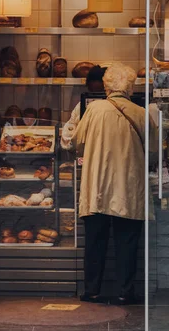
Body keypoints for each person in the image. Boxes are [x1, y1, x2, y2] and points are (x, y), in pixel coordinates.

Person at [72, 62, 145, 305]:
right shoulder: (141, 114)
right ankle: (125, 292)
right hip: (127, 185)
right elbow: (154, 151)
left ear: (106, 86)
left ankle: (92, 291)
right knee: (127, 243)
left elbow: (77, 141)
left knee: (95, 241)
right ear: (130, 87)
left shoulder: (93, 110)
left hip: (98, 186)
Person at [60, 65, 106, 150]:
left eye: (101, 93)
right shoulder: (81, 107)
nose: (96, 99)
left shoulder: (116, 108)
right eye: (93, 93)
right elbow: (67, 140)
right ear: (88, 89)